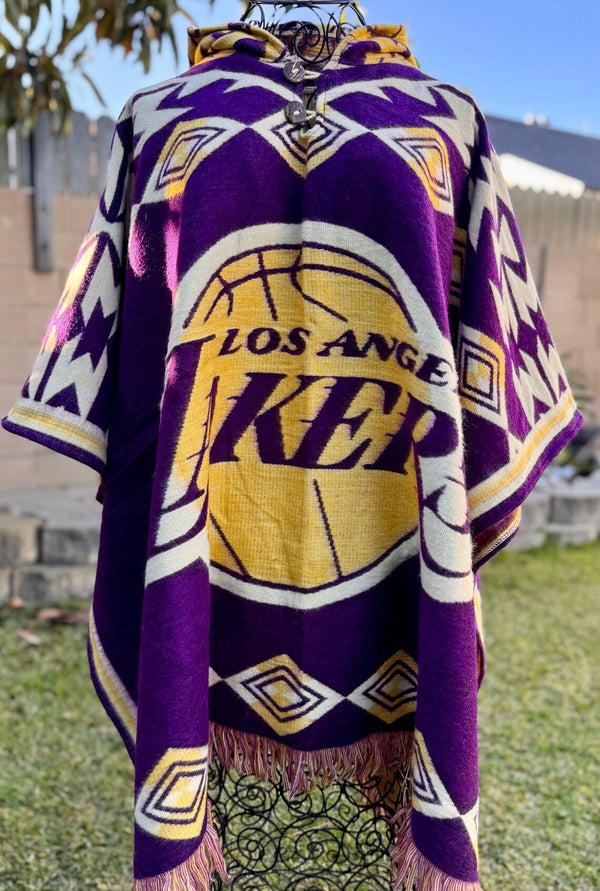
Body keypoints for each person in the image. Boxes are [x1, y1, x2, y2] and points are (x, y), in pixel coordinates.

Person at [2, 11, 582, 890]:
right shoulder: (154, 120)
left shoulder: (449, 125)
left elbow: (484, 362)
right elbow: (114, 358)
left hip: (391, 557)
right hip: (199, 557)